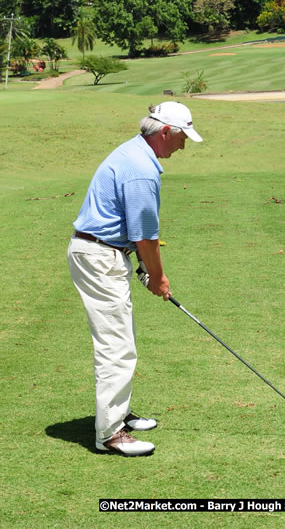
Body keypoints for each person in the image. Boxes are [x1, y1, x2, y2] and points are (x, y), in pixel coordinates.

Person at [68, 102, 202, 456]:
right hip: (100, 257)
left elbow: (134, 230)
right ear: (165, 132)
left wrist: (142, 265)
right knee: (116, 346)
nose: (183, 145)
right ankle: (110, 434)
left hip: (102, 251)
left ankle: (119, 414)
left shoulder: (134, 151)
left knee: (120, 339)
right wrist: (158, 277)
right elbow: (146, 237)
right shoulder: (141, 170)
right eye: (182, 137)